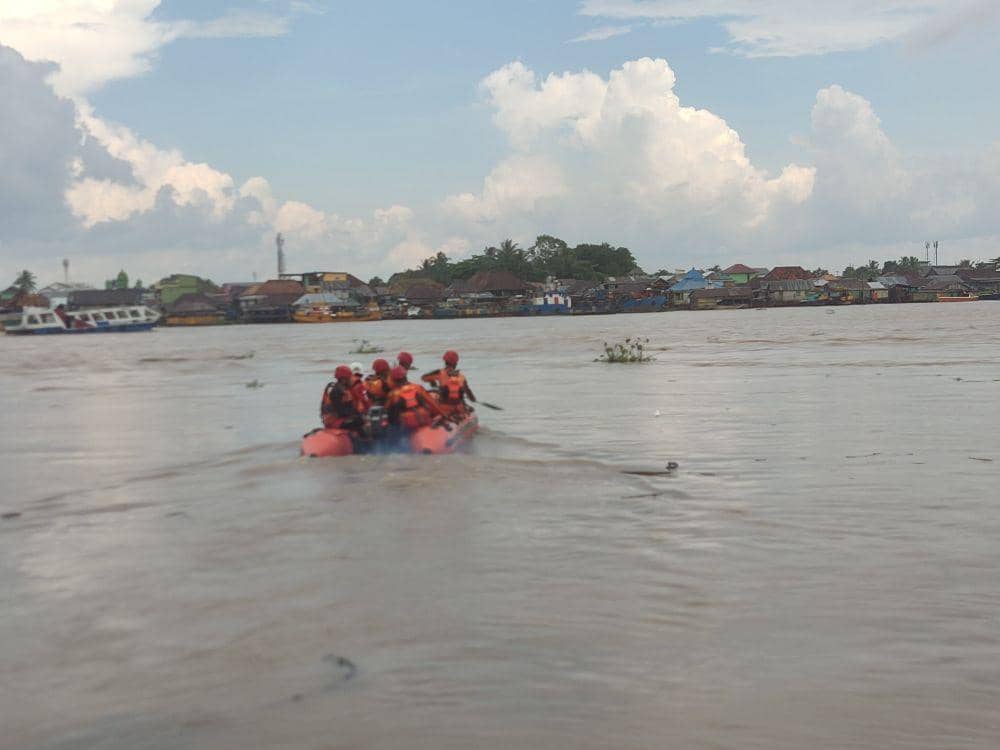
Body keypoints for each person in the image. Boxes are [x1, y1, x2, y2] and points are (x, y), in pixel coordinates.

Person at [386, 365, 446, 430]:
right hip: (423, 417)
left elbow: (387, 411)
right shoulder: (418, 387)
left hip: (407, 423)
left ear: (393, 379)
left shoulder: (392, 394)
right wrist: (444, 414)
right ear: (405, 376)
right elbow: (432, 403)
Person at [422, 350, 476, 418]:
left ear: (445, 361)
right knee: (466, 406)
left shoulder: (439, 373)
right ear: (456, 363)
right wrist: (473, 399)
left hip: (444, 407)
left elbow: (424, 378)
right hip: (458, 408)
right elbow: (470, 395)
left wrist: (432, 381)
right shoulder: (461, 377)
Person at [320, 365, 363, 432]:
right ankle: (364, 441)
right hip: (334, 421)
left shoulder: (338, 388)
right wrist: (357, 416)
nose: (351, 380)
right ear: (343, 379)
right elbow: (341, 411)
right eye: (349, 378)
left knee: (359, 418)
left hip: (331, 419)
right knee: (359, 421)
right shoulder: (337, 391)